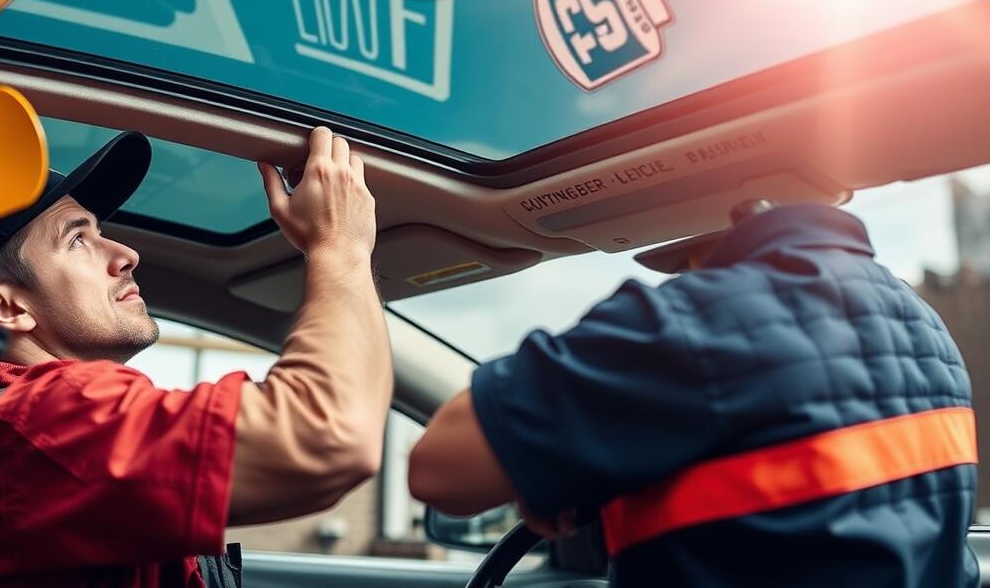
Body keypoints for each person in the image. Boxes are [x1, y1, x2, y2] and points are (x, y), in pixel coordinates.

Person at [409, 203, 978, 587]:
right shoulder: (927, 331)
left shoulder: (700, 317)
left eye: (682, 264)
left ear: (711, 244)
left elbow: (439, 471)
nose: (681, 279)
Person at [0, 126, 392, 587]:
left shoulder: (15, 425)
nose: (126, 253)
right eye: (77, 239)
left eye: (99, 231)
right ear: (7, 306)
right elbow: (330, 432)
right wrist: (340, 245)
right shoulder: (46, 420)